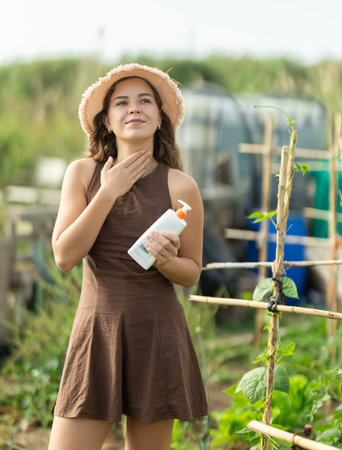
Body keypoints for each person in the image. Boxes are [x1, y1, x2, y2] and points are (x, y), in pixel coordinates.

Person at [48, 63, 208, 450]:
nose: (133, 108)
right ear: (106, 120)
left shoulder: (180, 185)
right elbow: (65, 256)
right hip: (95, 334)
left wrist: (168, 262)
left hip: (157, 334)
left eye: (144, 101)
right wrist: (109, 190)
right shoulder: (83, 174)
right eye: (121, 102)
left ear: (159, 118)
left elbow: (192, 273)